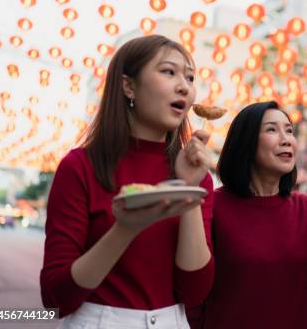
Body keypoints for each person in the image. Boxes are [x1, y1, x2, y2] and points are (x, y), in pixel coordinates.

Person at [40, 35, 214, 328]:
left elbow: (194, 292)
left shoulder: (196, 174)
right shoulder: (80, 166)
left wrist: (190, 190)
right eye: (168, 72)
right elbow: (56, 297)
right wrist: (127, 228)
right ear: (128, 86)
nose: (184, 86)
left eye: (190, 77)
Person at [193, 101, 307, 329]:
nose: (286, 139)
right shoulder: (213, 206)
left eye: (289, 131)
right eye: (272, 129)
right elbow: (191, 291)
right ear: (246, 143)